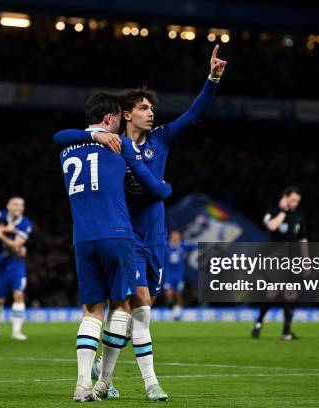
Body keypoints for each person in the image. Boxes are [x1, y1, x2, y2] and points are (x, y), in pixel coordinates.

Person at [54, 44, 226, 400]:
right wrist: (162, 187)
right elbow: (65, 136)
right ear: (125, 114)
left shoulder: (160, 138)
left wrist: (211, 79)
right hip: (123, 234)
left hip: (155, 236)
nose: (151, 113)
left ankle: (103, 373)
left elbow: (195, 115)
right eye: (144, 108)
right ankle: (148, 383)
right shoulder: (110, 146)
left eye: (152, 109)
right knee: (141, 310)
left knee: (138, 312)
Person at [58, 92, 172, 402]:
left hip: (82, 239)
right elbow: (154, 187)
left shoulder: (67, 152)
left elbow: (59, 135)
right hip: (118, 235)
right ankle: (110, 381)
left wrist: (91, 133)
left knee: (92, 312)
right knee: (124, 307)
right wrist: (166, 187)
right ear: (111, 118)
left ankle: (82, 386)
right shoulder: (120, 147)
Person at [253, 185, 308, 340]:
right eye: (292, 200)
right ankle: (259, 322)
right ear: (285, 197)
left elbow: (302, 239)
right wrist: (283, 211)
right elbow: (272, 226)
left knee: (291, 294)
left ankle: (286, 332)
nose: (295, 203)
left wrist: (306, 261)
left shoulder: (299, 217)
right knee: (272, 293)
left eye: (297, 201)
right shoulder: (273, 212)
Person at [0, 197, 32, 341]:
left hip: (16, 264)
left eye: (22, 205)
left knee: (18, 294)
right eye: (16, 204)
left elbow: (16, 245)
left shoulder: (26, 224)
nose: (19, 207)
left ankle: (16, 331)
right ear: (8, 206)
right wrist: (7, 230)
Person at [163, 230, 196, 321]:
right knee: (169, 293)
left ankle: (176, 313)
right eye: (173, 235)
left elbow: (195, 245)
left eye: (177, 235)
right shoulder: (166, 246)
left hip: (179, 275)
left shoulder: (183, 245)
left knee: (178, 294)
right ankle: (170, 306)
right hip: (168, 274)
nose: (175, 237)